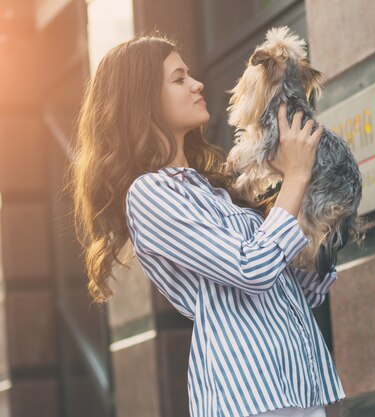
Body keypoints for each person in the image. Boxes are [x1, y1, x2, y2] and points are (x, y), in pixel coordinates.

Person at [70, 33, 347, 417]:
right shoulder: (151, 195)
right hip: (249, 392)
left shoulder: (214, 190)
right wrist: (297, 178)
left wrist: (325, 215)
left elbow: (297, 289)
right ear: (143, 99)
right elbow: (251, 270)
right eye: (179, 78)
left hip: (296, 386)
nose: (197, 84)